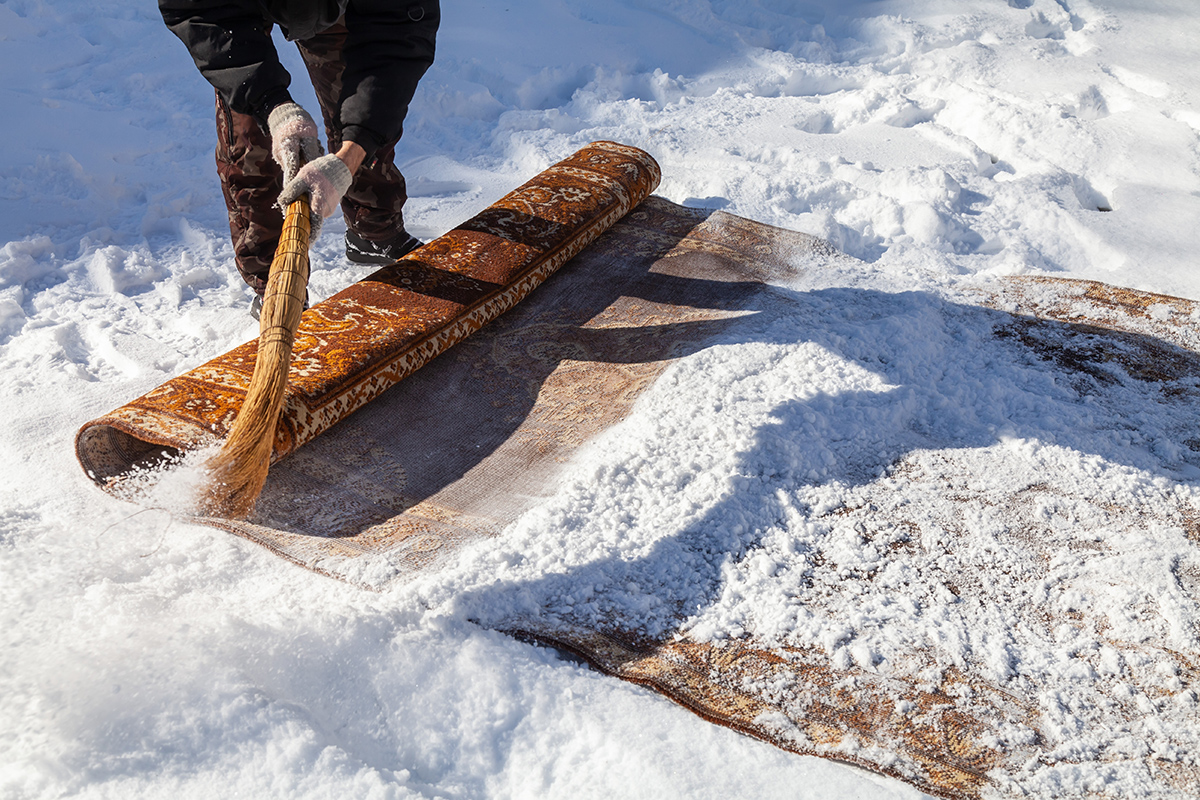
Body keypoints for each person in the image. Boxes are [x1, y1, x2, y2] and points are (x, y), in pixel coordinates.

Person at [158, 0, 440, 315]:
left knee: (362, 114)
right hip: (229, 12)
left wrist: (350, 155)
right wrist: (272, 106)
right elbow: (199, 11)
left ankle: (373, 227)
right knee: (249, 140)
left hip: (335, 5)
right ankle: (274, 276)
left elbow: (394, 38)